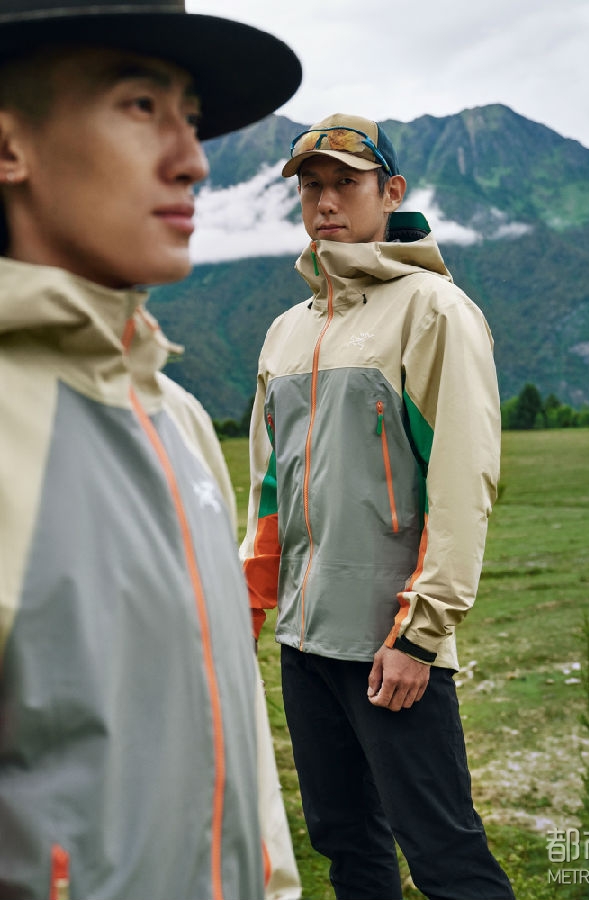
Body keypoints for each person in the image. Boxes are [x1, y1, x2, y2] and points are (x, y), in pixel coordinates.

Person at [0, 2, 302, 899]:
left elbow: (236, 736)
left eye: (192, 117)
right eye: (141, 105)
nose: (193, 159)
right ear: (8, 146)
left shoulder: (176, 418)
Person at [242, 113, 516, 900]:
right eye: (311, 187)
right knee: (346, 846)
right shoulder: (286, 332)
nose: (326, 202)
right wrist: (249, 609)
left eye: (345, 183)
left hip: (389, 645)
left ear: (390, 191)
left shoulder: (434, 311)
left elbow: (462, 482)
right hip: (304, 641)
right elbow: (269, 487)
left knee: (444, 856)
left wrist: (418, 635)